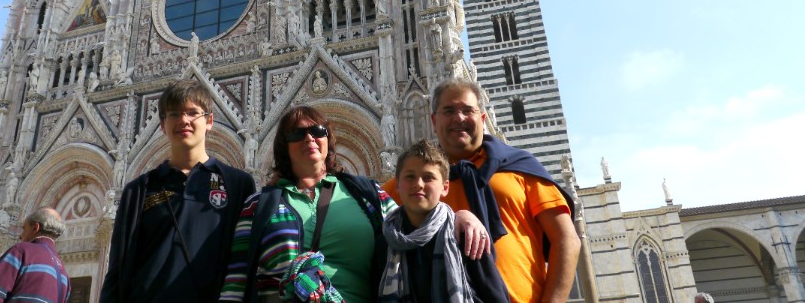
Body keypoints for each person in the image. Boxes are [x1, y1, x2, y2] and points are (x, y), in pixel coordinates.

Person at [382, 78, 580, 303]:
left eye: (468, 110)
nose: (459, 118)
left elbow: (566, 239)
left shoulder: (520, 167)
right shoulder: (411, 181)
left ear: (482, 119)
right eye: (449, 111)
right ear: (434, 121)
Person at [219, 105, 396, 302]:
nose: (309, 138)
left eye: (318, 131)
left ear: (328, 138)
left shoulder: (367, 195)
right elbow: (237, 279)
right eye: (297, 133)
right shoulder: (258, 205)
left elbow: (408, 235)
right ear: (284, 146)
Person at [100, 80, 256, 302]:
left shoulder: (238, 184)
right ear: (163, 125)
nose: (184, 120)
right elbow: (117, 270)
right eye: (174, 114)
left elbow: (246, 258)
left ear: (209, 121)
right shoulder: (137, 191)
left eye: (193, 113)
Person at [379, 139, 509, 303]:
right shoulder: (385, 240)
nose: (418, 184)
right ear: (397, 185)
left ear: (445, 187)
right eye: (410, 176)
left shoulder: (466, 235)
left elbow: (495, 295)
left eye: (428, 177)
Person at [0, 207, 70, 303]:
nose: (20, 236)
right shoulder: (64, 275)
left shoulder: (21, 251)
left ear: (36, 227)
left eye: (24, 228)